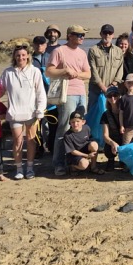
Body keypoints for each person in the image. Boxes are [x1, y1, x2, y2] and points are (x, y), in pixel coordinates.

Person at [47, 25, 92, 176]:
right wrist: (64, 71)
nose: (82, 37)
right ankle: (58, 163)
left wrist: (77, 74)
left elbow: (88, 74)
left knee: (80, 127)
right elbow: (49, 71)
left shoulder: (82, 53)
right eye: (79, 34)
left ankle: (76, 160)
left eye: (83, 35)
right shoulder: (59, 51)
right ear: (70, 35)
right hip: (67, 94)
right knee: (65, 127)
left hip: (81, 93)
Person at [0, 45, 47, 179]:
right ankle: (19, 169)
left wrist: (40, 109)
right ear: (14, 56)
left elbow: (40, 92)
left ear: (28, 56)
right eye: (18, 55)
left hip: (32, 113)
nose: (21, 58)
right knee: (17, 141)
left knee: (31, 140)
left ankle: (30, 168)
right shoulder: (8, 72)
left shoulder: (35, 71)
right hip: (15, 114)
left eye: (23, 55)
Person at [88, 24, 124, 107]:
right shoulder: (93, 50)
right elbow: (93, 70)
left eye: (110, 33)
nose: (107, 35)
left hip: (112, 90)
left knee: (112, 111)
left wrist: (114, 84)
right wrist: (103, 87)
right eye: (105, 33)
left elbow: (120, 69)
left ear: (113, 35)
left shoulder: (118, 51)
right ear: (101, 34)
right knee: (94, 113)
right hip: (96, 90)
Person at [31, 35, 56, 153]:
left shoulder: (51, 58)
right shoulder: (29, 60)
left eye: (42, 43)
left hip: (51, 98)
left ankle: (52, 147)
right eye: (37, 43)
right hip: (35, 99)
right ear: (33, 45)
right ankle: (38, 148)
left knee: (53, 124)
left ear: (46, 45)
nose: (39, 46)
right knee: (37, 125)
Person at [63, 109, 102, 175]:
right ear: (69, 122)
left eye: (78, 121)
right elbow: (72, 151)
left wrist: (89, 153)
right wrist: (87, 155)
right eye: (73, 122)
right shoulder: (67, 135)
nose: (75, 124)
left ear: (83, 122)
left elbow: (90, 139)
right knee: (84, 165)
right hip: (74, 155)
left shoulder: (86, 128)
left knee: (94, 144)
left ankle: (93, 167)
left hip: (84, 150)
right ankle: (71, 166)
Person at [100, 86, 123, 171]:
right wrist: (112, 143)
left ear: (119, 96)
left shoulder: (126, 111)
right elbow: (105, 136)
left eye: (115, 95)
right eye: (109, 96)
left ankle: (124, 159)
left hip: (125, 138)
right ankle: (111, 160)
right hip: (114, 139)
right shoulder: (105, 115)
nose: (112, 98)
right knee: (108, 147)